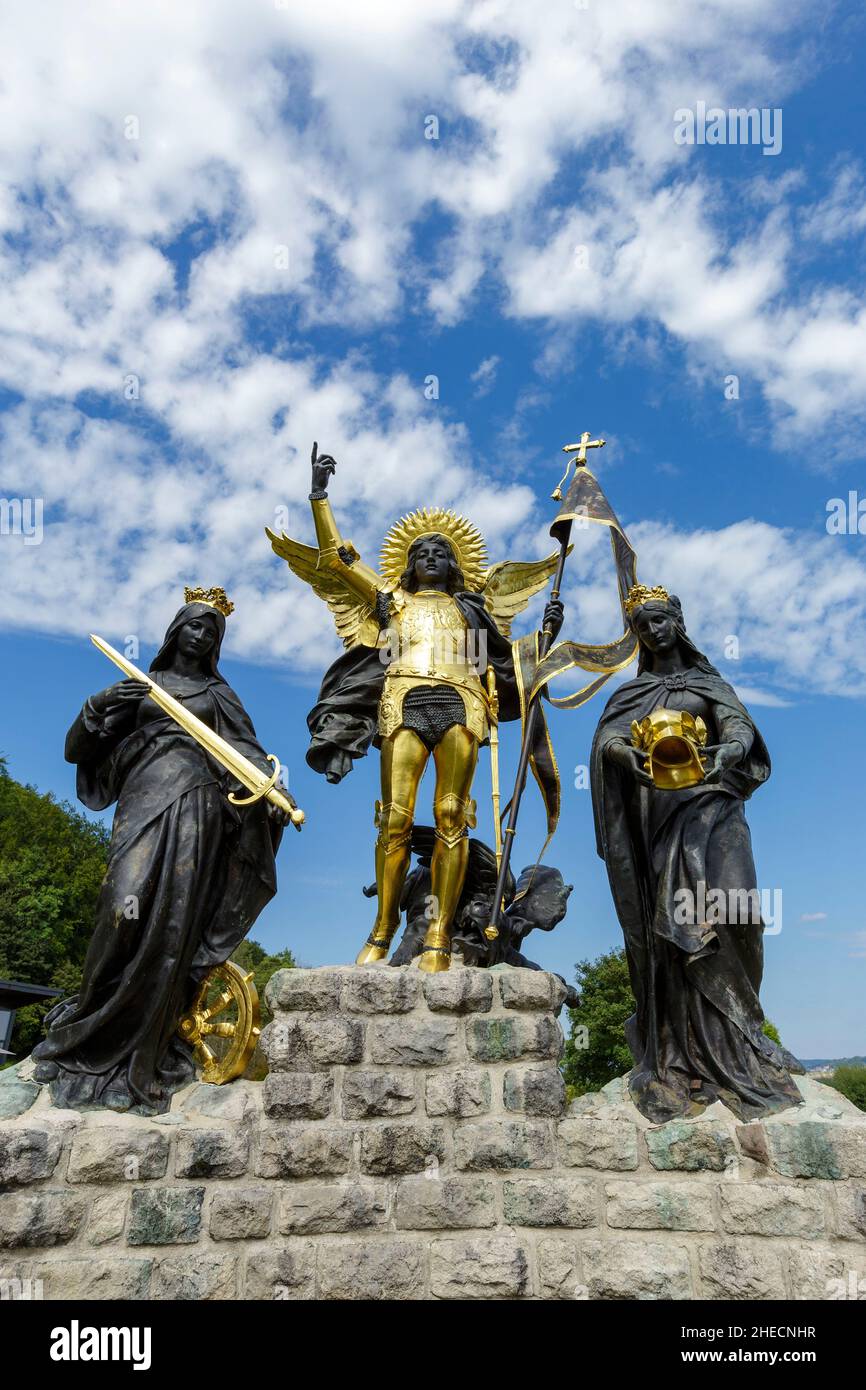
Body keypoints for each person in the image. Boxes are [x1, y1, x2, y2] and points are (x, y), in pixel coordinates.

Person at [32, 589, 292, 1114]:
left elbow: (244, 754)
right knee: (122, 907)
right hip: (143, 800)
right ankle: (90, 1023)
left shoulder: (219, 696)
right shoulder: (140, 687)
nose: (202, 635)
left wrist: (274, 790)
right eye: (195, 625)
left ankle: (146, 1043)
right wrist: (98, 706)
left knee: (174, 923)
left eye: (212, 632)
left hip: (197, 807)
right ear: (177, 630)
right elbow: (76, 750)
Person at [590, 583, 803, 1123]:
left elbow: (738, 727)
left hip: (717, 805)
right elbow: (607, 737)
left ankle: (745, 1033)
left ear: (677, 619)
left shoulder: (710, 682)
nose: (651, 630)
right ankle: (680, 1050)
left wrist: (728, 748)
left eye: (658, 619)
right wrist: (621, 753)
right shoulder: (630, 694)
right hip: (662, 818)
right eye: (641, 624)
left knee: (739, 912)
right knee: (675, 929)